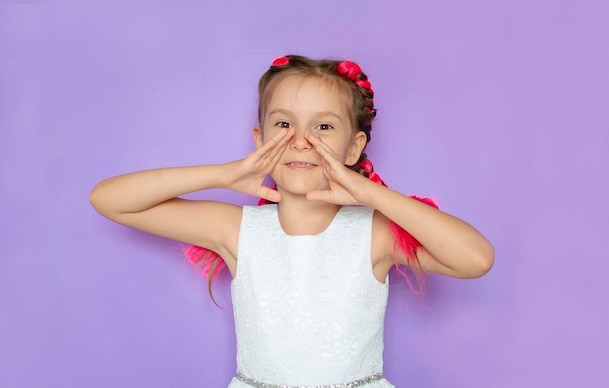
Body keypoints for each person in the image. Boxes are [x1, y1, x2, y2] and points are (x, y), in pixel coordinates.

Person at [90, 54, 494, 387]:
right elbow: (109, 200)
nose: (301, 140)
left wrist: (371, 194)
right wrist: (223, 174)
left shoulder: (373, 233)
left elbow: (475, 258)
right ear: (261, 140)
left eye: (322, 127)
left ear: (354, 148)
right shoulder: (235, 230)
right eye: (284, 124)